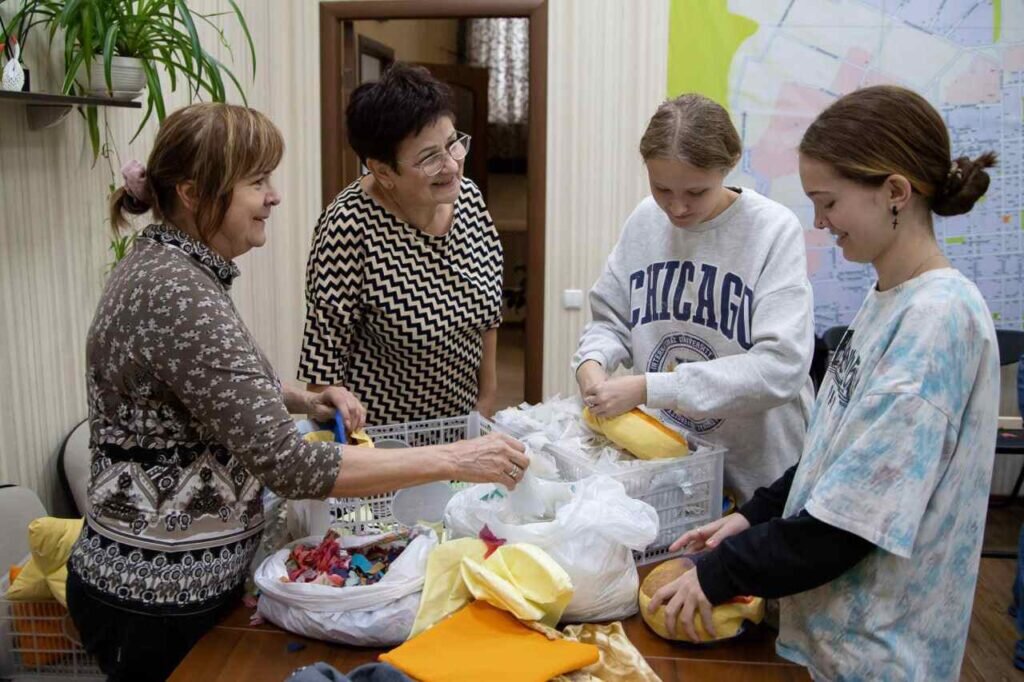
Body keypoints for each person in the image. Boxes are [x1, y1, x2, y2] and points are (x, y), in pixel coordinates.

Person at [66, 102, 527, 682]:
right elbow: (289, 465)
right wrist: (458, 458)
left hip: (174, 589)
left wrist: (303, 399)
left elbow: (211, 384)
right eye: (257, 182)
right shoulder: (177, 295)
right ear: (192, 192)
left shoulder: (174, 269)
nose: (274, 196)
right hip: (155, 599)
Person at [648, 85, 1000, 682]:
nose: (819, 222)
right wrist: (756, 515)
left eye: (828, 201)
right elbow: (835, 456)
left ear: (894, 192)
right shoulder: (887, 298)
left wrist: (718, 572)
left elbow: (847, 525)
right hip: (830, 640)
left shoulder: (938, 321)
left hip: (879, 654)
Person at [573, 93, 815, 502]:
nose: (677, 207)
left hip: (761, 471)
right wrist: (592, 362)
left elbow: (781, 367)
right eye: (661, 188)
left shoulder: (773, 230)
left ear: (729, 163)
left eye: (696, 192)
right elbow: (610, 319)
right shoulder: (645, 221)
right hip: (674, 465)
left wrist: (651, 388)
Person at [298, 62, 503, 424]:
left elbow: (488, 316)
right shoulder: (347, 227)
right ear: (383, 171)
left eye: (453, 144)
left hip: (463, 425)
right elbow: (323, 367)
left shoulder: (468, 199)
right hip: (386, 440)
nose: (452, 166)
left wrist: (484, 406)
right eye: (429, 158)